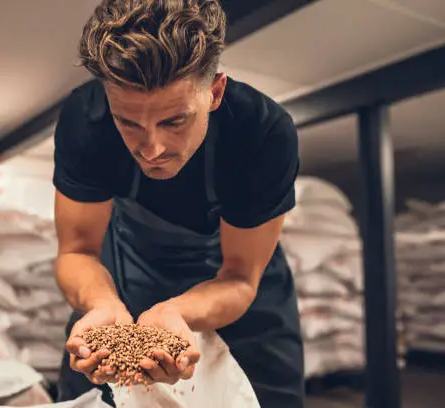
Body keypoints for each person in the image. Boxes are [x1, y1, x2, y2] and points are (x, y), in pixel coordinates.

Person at [52, 0, 304, 407]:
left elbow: (239, 277)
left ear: (215, 92)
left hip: (240, 293)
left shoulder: (263, 133)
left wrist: (178, 313)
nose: (151, 148)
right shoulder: (85, 119)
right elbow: (76, 251)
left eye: (174, 121)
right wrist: (102, 304)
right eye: (128, 123)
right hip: (127, 277)